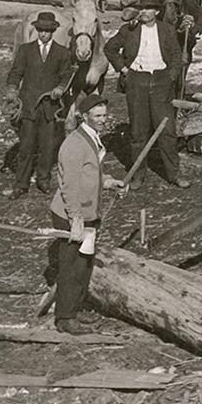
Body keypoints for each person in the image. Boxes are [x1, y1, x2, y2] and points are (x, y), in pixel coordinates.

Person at [46, 94, 127, 335]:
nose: (103, 120)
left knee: (83, 265)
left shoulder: (91, 138)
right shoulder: (74, 144)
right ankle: (65, 318)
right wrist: (76, 220)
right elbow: (69, 185)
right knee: (71, 267)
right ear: (84, 116)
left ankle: (76, 308)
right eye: (97, 116)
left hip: (87, 213)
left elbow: (90, 174)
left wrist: (108, 182)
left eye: (105, 115)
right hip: (72, 214)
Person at [103, 0, 186, 188]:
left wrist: (171, 76)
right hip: (137, 82)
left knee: (167, 130)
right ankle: (138, 175)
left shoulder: (166, 30)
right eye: (142, 8)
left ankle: (174, 174)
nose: (144, 12)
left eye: (149, 8)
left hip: (161, 81)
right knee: (138, 132)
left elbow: (176, 56)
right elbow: (110, 48)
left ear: (157, 11)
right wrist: (124, 70)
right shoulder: (129, 29)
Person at [8, 11, 73, 196]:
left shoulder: (62, 52)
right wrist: (12, 89)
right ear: (36, 30)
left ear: (53, 31)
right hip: (28, 106)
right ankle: (21, 183)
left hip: (49, 108)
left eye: (47, 31)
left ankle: (43, 180)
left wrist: (61, 87)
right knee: (26, 146)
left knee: (47, 147)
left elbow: (67, 75)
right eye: (41, 30)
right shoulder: (25, 50)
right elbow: (16, 72)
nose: (43, 34)